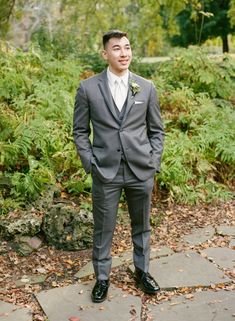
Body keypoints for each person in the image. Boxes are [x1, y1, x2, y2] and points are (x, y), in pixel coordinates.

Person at [73, 30, 164, 303]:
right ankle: (102, 278)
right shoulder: (87, 88)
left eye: (127, 47)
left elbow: (157, 130)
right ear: (105, 54)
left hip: (140, 170)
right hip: (106, 171)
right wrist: (91, 164)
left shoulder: (145, 87)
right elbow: (79, 131)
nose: (124, 53)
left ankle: (143, 271)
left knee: (142, 225)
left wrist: (153, 162)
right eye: (116, 48)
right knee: (103, 227)